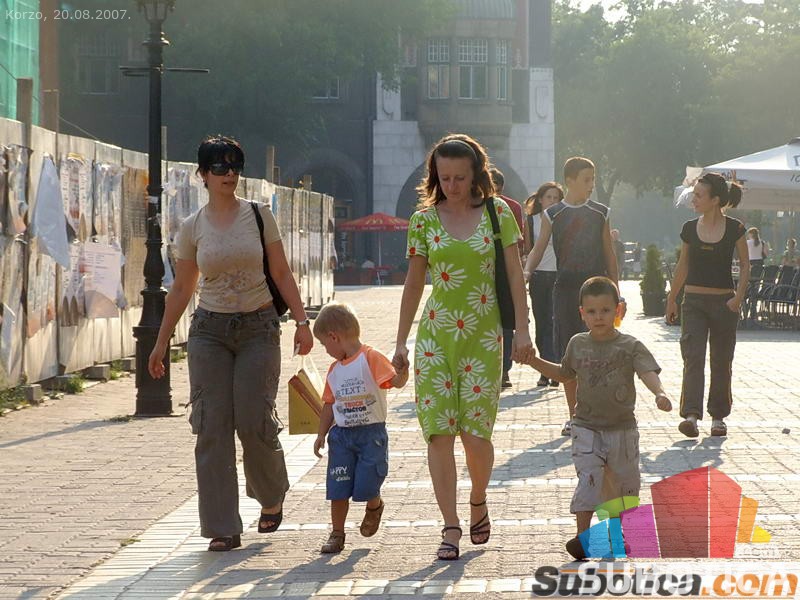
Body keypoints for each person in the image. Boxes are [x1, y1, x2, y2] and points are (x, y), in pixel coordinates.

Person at [147, 135, 313, 552]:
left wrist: (302, 321)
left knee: (254, 419)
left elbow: (281, 271)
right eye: (219, 167)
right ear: (203, 174)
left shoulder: (259, 215)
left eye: (235, 166)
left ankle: (270, 494)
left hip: (259, 327)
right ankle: (222, 526)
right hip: (209, 332)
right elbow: (182, 289)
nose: (229, 174)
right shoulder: (192, 227)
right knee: (211, 426)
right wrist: (161, 342)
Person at [392, 133, 533, 561]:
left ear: (476, 175)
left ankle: (478, 499)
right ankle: (450, 525)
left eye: (459, 177)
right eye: (444, 177)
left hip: (484, 339)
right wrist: (400, 342)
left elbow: (514, 275)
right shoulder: (423, 221)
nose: (451, 185)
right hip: (435, 341)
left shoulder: (498, 214)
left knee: (475, 436)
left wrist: (522, 330)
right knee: (438, 433)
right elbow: (414, 282)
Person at [522, 276, 672, 559]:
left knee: (621, 486)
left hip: (622, 430)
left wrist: (659, 393)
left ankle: (616, 536)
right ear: (582, 313)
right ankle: (583, 537)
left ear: (618, 310)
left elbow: (647, 371)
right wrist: (534, 361)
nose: (598, 317)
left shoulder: (630, 345)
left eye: (605, 310)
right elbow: (564, 374)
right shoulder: (577, 344)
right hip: (586, 427)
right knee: (589, 479)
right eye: (591, 311)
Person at [523, 157, 620, 437]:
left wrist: (616, 291)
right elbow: (539, 247)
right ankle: (574, 415)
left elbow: (609, 253)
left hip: (596, 289)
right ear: (570, 181)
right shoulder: (553, 214)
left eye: (593, 179)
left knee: (601, 350)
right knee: (570, 353)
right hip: (565, 289)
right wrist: (527, 271)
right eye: (587, 179)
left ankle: (599, 412)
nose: (591, 185)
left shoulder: (600, 212)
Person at [312, 302, 408, 554]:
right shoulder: (334, 371)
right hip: (342, 437)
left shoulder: (370, 357)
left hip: (370, 435)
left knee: (367, 484)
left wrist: (402, 372)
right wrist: (321, 433)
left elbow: (395, 382)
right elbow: (329, 404)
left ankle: (374, 504)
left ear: (334, 336)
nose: (326, 350)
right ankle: (337, 533)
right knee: (338, 485)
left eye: (324, 344)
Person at [666, 172, 748, 438]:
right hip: (693, 302)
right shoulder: (689, 229)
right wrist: (672, 298)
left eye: (699, 196)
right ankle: (691, 415)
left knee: (722, 360)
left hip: (725, 303)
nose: (694, 200)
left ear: (715, 200)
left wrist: (738, 297)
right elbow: (683, 265)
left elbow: (745, 265)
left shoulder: (735, 228)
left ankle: (718, 417)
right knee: (693, 357)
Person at [522, 182, 563, 387]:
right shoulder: (532, 220)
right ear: (540, 199)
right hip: (538, 276)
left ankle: (554, 370)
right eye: (549, 197)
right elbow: (529, 249)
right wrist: (526, 272)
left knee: (554, 322)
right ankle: (545, 369)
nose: (552, 201)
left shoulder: (564, 218)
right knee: (542, 323)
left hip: (559, 276)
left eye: (556, 198)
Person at [489, 167, 525, 389]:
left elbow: (517, 241)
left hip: (504, 268)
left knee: (506, 321)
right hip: (483, 272)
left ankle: (504, 370)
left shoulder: (509, 208)